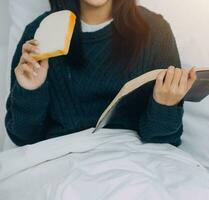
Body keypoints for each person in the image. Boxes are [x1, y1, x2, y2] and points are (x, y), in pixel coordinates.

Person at [5, 0, 196, 147]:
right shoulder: (38, 34)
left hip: (135, 159)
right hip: (63, 162)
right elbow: (23, 139)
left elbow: (166, 140)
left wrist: (165, 105)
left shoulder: (155, 30)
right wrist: (30, 90)